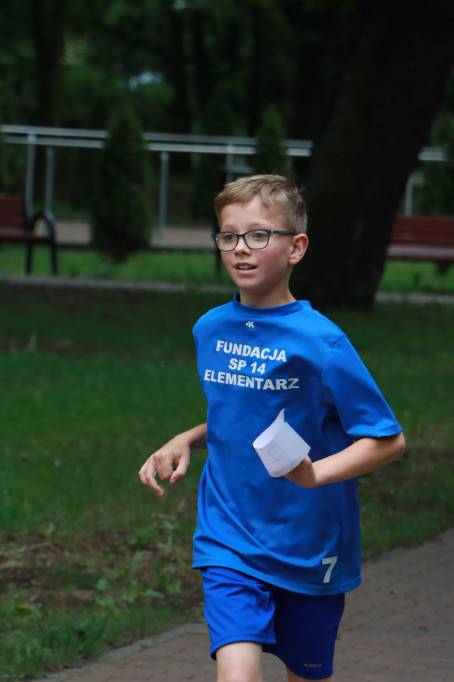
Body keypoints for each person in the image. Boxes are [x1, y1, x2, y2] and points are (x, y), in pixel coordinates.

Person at [138, 174, 405, 682]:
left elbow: (388, 439)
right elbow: (238, 411)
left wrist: (315, 475)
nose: (241, 249)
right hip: (229, 535)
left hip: (310, 544)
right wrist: (185, 439)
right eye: (228, 235)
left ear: (296, 247)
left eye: (259, 235)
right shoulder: (210, 328)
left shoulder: (322, 342)